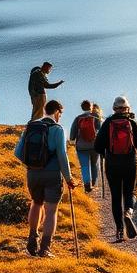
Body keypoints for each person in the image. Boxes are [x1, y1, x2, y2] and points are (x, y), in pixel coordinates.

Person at [14, 99, 76, 257]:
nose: (60, 117)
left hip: (33, 174)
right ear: (56, 112)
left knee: (36, 203)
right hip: (52, 174)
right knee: (51, 211)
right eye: (60, 114)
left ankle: (32, 237)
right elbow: (62, 156)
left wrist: (32, 164)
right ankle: (45, 249)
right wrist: (68, 178)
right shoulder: (57, 129)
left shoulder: (31, 126)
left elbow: (17, 153)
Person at [94, 96, 137, 242]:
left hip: (112, 164)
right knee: (130, 192)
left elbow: (97, 146)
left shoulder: (108, 123)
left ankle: (120, 231)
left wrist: (106, 153)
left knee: (116, 197)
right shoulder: (131, 122)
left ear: (114, 108)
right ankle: (128, 212)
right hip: (130, 163)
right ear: (127, 108)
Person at [69, 99, 102, 193]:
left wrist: (72, 139)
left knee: (84, 166)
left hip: (81, 147)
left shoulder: (78, 118)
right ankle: (94, 182)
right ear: (91, 107)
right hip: (94, 146)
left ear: (82, 108)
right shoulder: (96, 117)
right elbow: (100, 131)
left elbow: (72, 134)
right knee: (94, 164)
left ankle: (87, 185)